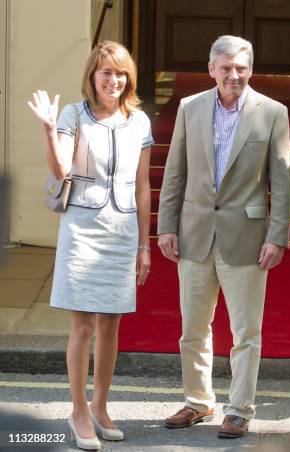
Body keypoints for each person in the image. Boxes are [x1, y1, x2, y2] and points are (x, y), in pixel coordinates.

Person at [157, 35, 290, 439]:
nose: (234, 75)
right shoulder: (190, 107)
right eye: (226, 68)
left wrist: (278, 236)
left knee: (245, 332)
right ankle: (198, 402)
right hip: (195, 232)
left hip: (247, 237)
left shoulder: (272, 112)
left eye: (241, 68)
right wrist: (166, 225)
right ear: (212, 69)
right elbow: (174, 170)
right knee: (193, 329)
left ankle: (239, 409)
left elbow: (282, 181)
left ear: (250, 70)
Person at [27, 41, 153, 450]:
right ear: (92, 77)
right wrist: (49, 129)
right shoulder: (73, 115)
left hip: (122, 230)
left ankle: (100, 406)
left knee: (111, 325)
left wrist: (143, 244)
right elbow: (61, 168)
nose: (113, 81)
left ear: (128, 78)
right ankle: (78, 410)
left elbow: (143, 185)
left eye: (120, 74)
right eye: (105, 73)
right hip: (82, 228)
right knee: (81, 326)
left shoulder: (139, 122)